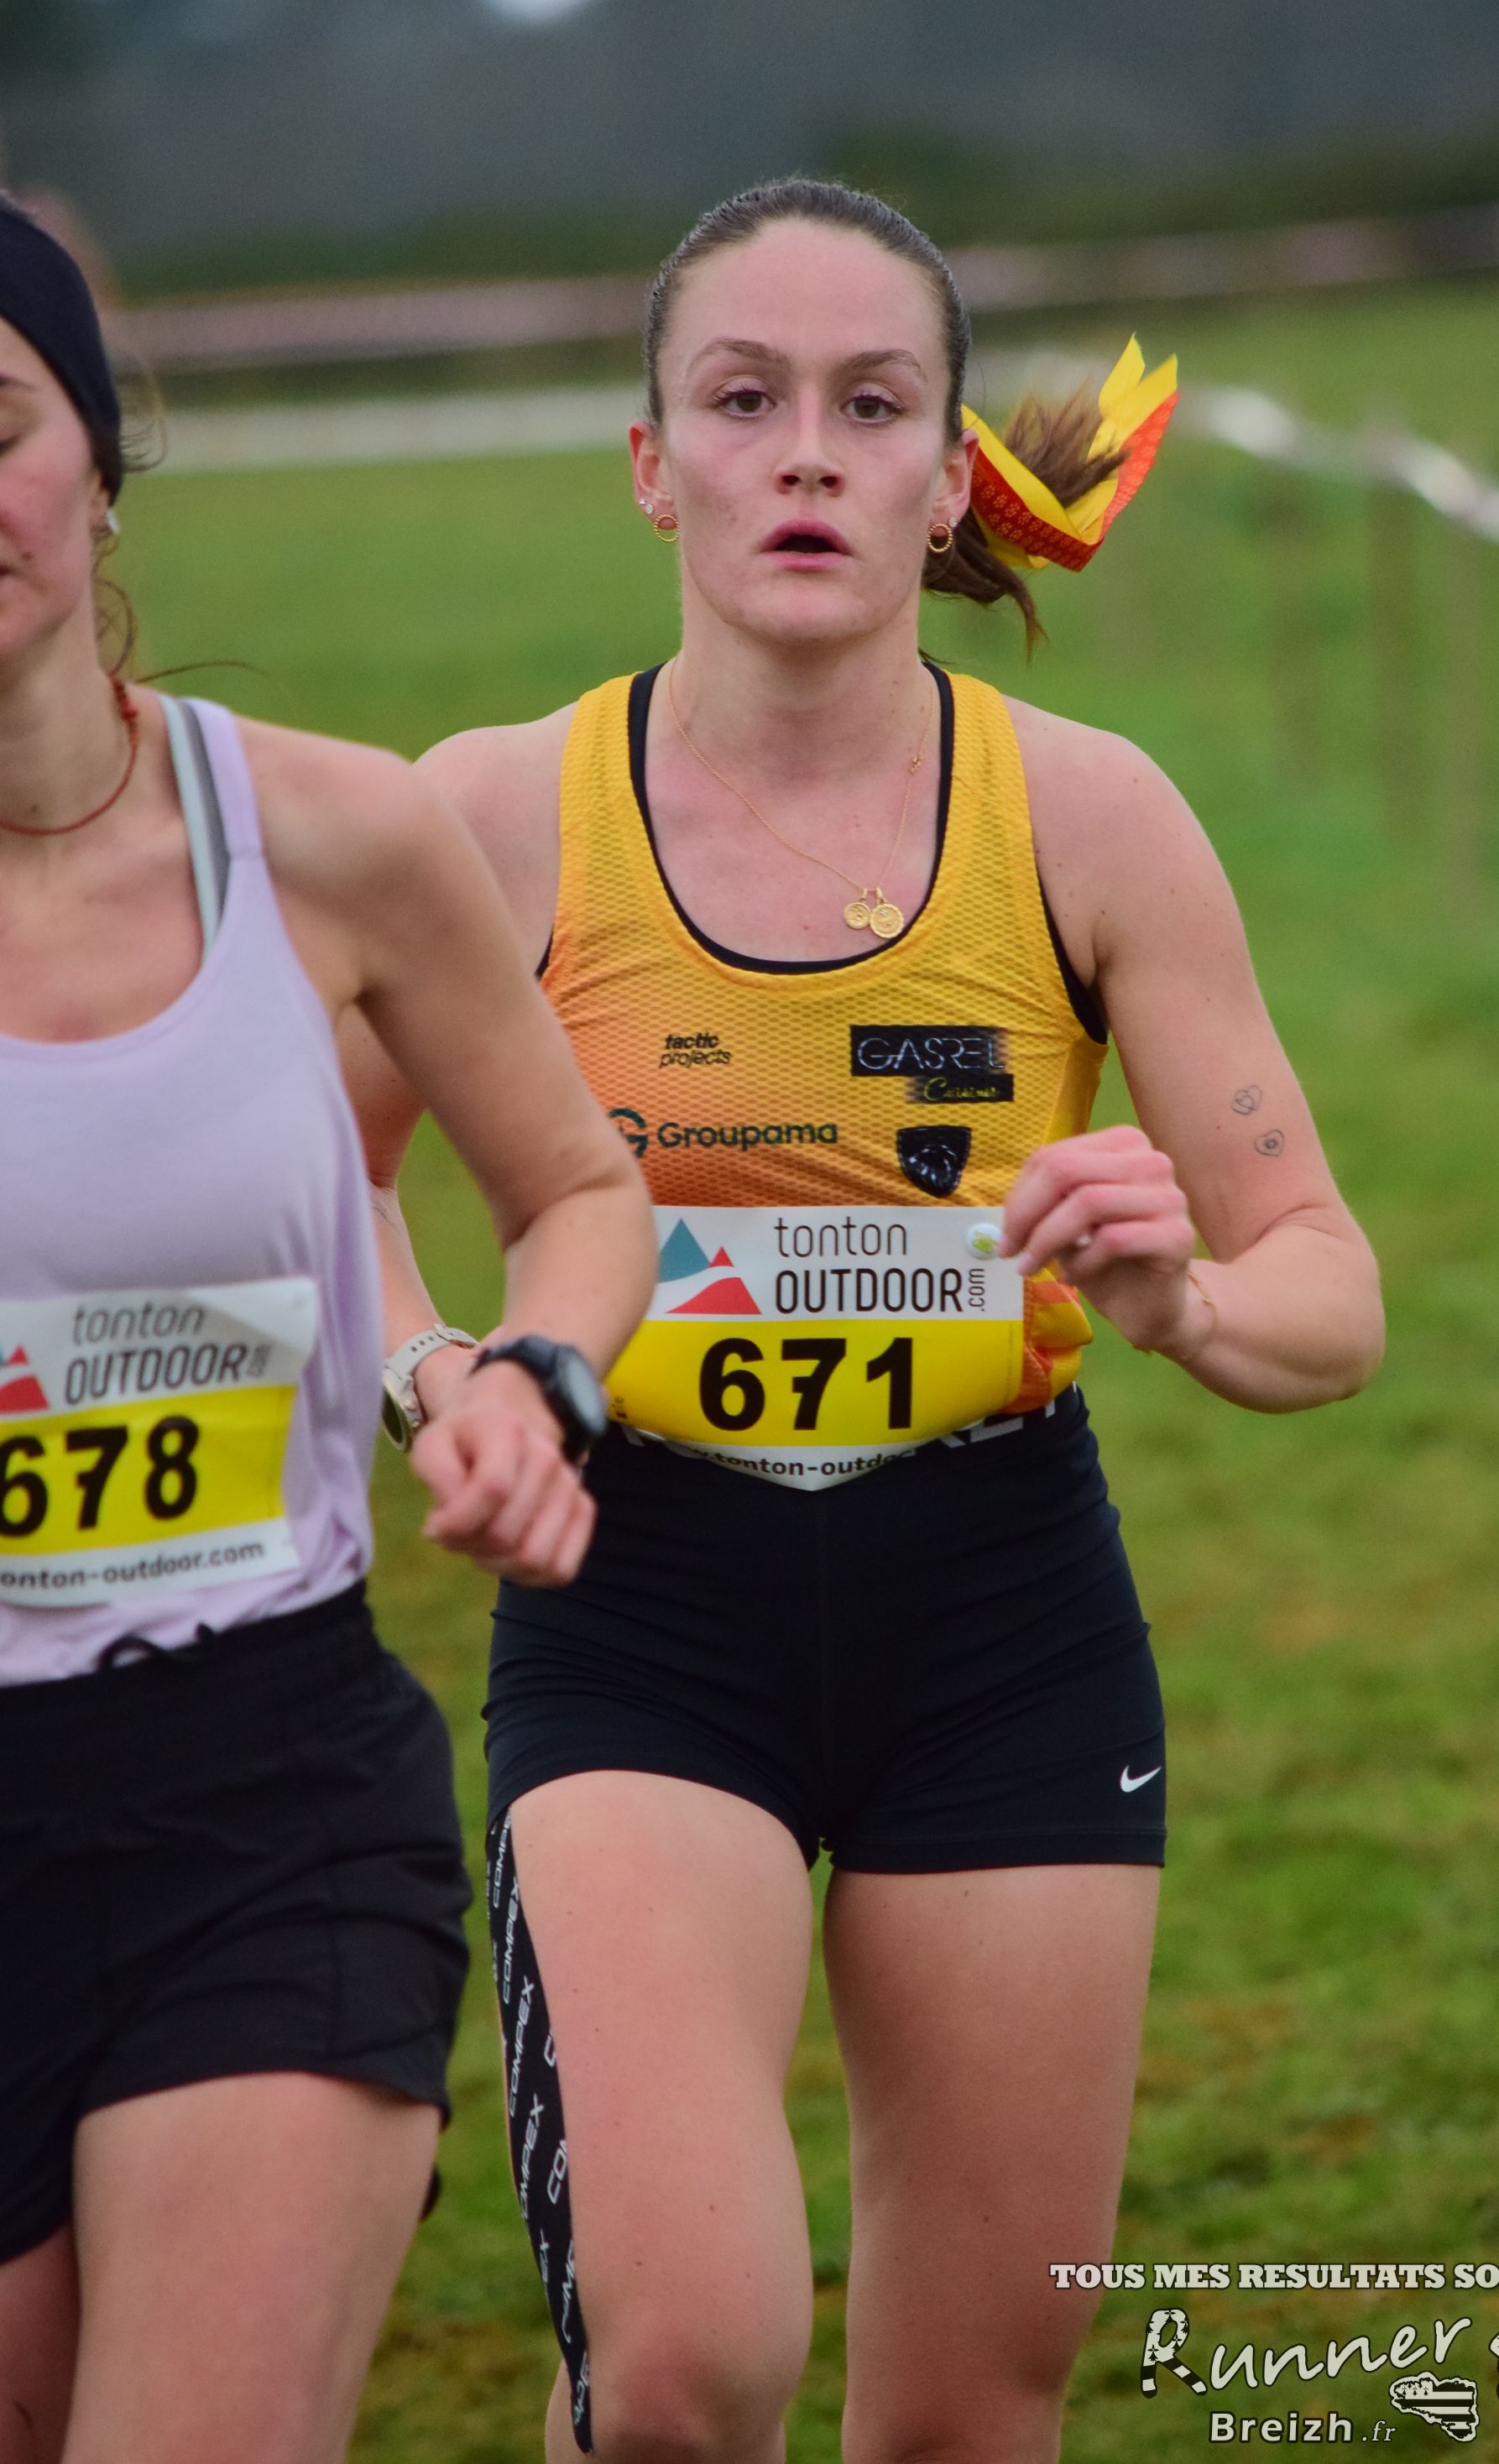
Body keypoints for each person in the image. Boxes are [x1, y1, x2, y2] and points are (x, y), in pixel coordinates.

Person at [353, 178, 1384, 2464]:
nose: (806, 452)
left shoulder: (1093, 817)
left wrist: (1183, 1298)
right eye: (744, 402)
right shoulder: (492, 815)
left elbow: (1333, 1291)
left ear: (945, 480)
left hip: (1001, 1613)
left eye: (872, 404)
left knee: (969, 2414)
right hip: (644, 1602)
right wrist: (447, 1373)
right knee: (685, 2372)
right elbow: (309, 1198)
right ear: (653, 465)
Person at [0, 194, 654, 2464]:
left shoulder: (334, 842)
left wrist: (527, 1383)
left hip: (262, 1796)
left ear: (98, 459)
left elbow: (578, 1190)